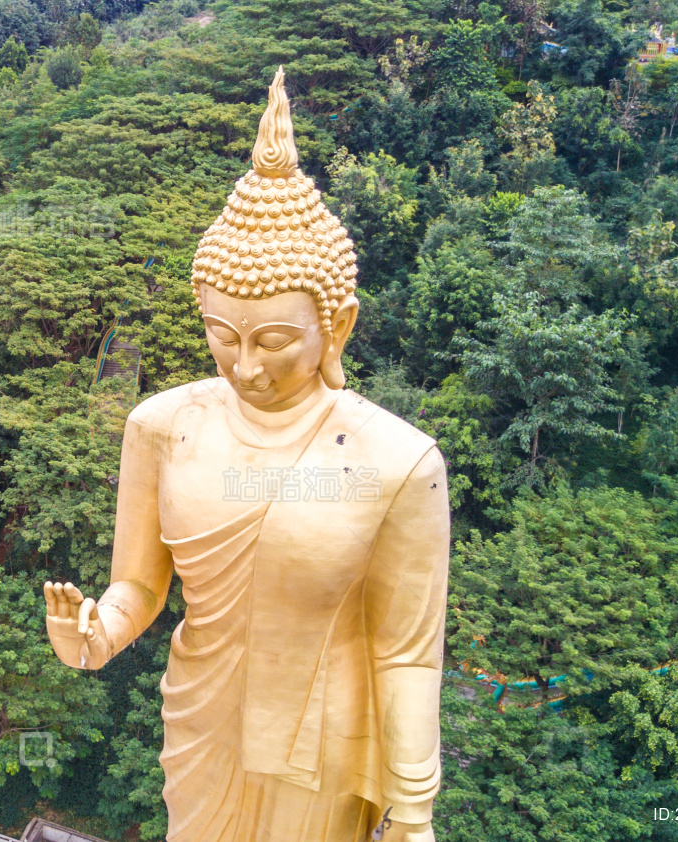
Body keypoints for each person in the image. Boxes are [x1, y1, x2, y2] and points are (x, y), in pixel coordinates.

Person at [43, 68, 450, 842]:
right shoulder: (163, 426)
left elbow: (407, 657)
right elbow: (139, 584)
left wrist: (416, 812)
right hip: (203, 717)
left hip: (321, 746)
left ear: (338, 327)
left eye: (274, 341)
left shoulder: (398, 463)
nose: (246, 367)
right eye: (222, 337)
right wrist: (97, 632)